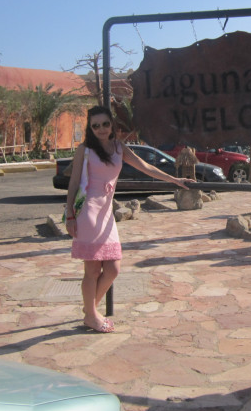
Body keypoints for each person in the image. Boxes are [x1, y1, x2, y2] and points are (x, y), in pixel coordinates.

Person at [65, 106, 193, 332]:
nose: (101, 129)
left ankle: (89, 311)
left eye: (105, 124)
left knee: (113, 269)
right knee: (92, 271)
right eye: (95, 126)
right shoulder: (85, 150)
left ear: (112, 124)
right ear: (90, 128)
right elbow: (74, 183)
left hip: (106, 214)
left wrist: (175, 180)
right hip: (88, 212)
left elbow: (146, 167)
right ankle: (92, 315)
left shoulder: (118, 148)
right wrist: (69, 215)